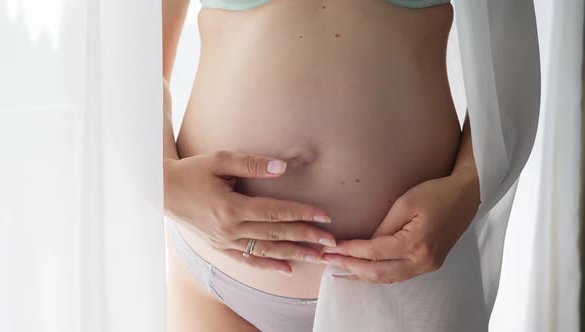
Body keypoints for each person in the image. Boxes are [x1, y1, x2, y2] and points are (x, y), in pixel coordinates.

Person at [161, 0, 539, 331]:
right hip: (222, 283)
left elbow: (509, 51)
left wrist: (469, 185)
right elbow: (127, 58)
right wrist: (167, 185)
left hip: (409, 277)